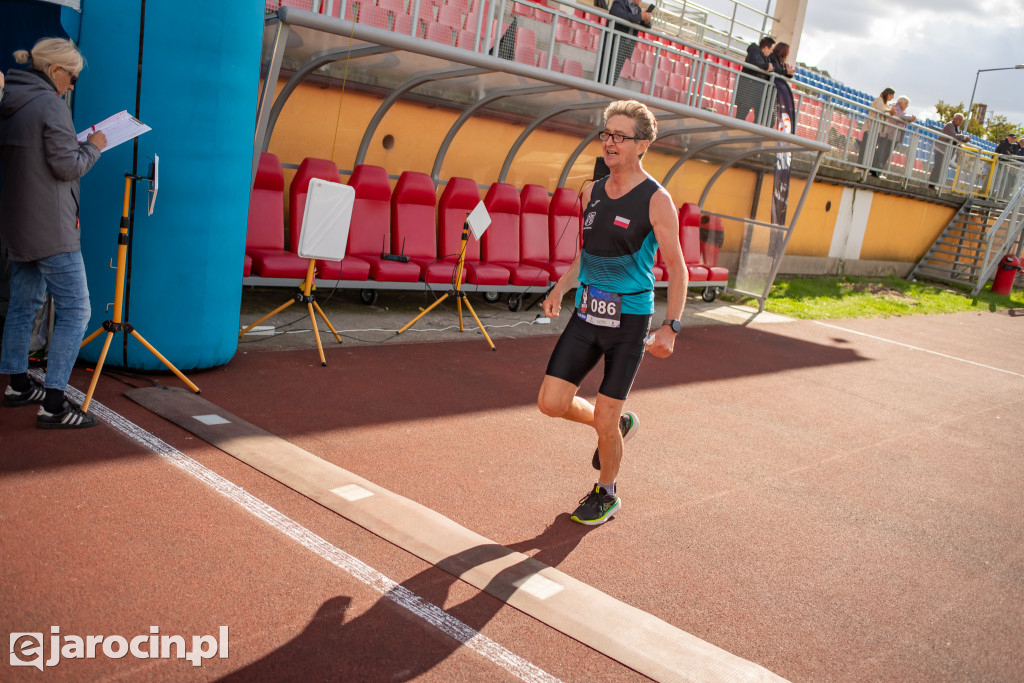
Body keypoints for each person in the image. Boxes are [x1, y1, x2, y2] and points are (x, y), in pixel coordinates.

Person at [537, 100, 687, 525]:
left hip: (629, 322)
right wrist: (560, 287)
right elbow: (587, 253)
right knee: (550, 403)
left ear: (642, 145)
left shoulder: (657, 200)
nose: (610, 142)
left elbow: (677, 268)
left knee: (603, 411)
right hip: (586, 314)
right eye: (606, 133)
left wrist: (671, 327)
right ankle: (615, 426)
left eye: (620, 136)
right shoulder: (591, 191)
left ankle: (607, 491)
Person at [0, 38, 107, 429]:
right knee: (77, 310)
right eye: (73, 76)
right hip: (51, 223)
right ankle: (56, 404)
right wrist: (93, 146)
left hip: (18, 220)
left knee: (23, 303)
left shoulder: (11, 99)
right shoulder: (52, 105)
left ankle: (18, 384)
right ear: (55, 71)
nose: (74, 84)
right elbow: (66, 168)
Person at [603, 0, 652, 86]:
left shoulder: (638, 9)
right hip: (612, 44)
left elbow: (645, 24)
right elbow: (621, 15)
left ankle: (607, 90)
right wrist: (639, 17)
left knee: (614, 74)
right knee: (605, 71)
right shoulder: (619, 3)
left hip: (625, 46)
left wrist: (646, 20)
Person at [734, 36, 774, 121]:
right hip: (747, 91)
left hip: (756, 92)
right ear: (766, 48)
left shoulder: (765, 58)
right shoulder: (754, 51)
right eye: (771, 49)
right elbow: (755, 61)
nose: (771, 51)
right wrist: (767, 66)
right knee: (741, 116)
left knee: (759, 119)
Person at [928, 113, 970, 189]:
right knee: (938, 167)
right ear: (954, 119)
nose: (961, 122)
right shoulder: (950, 125)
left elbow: (959, 138)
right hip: (941, 149)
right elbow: (954, 135)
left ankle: (935, 184)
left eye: (962, 120)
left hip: (947, 152)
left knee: (942, 168)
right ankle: (931, 184)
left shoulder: (958, 129)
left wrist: (964, 139)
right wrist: (964, 137)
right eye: (959, 119)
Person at [862, 87, 895, 176]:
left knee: (872, 150)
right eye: (892, 96)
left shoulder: (885, 104)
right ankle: (862, 167)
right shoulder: (879, 100)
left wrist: (891, 111)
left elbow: (887, 110)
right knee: (867, 148)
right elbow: (882, 110)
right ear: (889, 95)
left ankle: (867, 168)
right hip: (871, 128)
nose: (892, 98)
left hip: (877, 131)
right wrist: (890, 111)